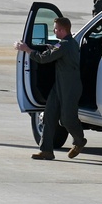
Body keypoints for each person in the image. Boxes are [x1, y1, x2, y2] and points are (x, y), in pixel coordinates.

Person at [14, 17, 87, 160]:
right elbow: (53, 51)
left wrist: (27, 49)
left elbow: (43, 58)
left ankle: (79, 141)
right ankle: (46, 150)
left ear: (62, 30)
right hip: (59, 85)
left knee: (67, 119)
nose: (54, 31)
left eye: (55, 29)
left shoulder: (65, 45)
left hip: (70, 87)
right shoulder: (66, 44)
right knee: (49, 115)